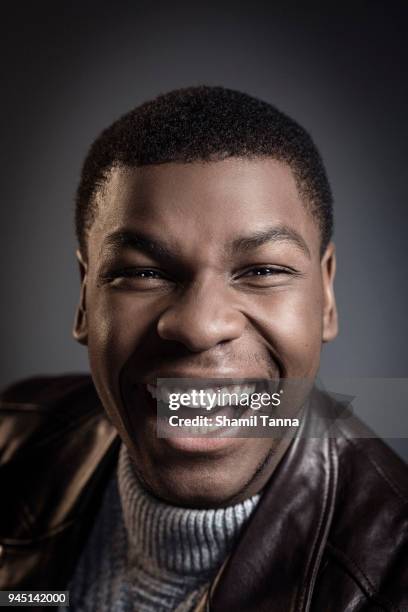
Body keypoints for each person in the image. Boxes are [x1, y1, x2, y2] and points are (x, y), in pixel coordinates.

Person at [0, 86, 406, 611]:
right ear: (85, 297)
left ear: (325, 296)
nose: (199, 325)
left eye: (262, 271)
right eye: (143, 273)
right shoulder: (13, 439)